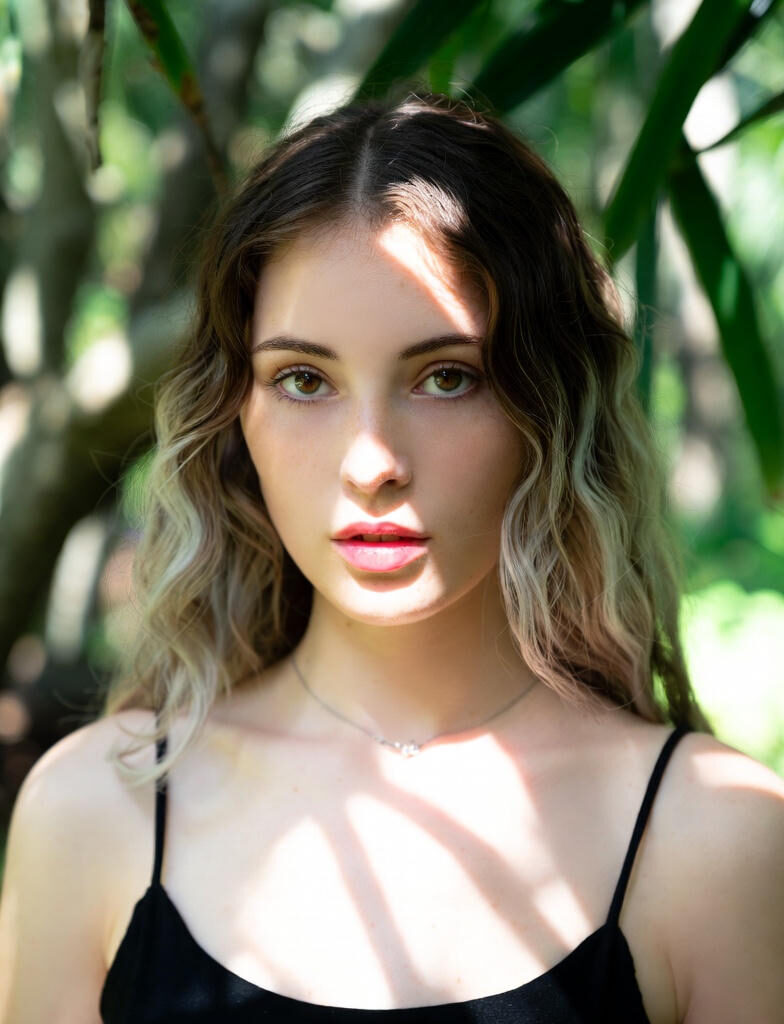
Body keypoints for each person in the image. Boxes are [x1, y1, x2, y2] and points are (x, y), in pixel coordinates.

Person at [1, 90, 782, 1024]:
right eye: (304, 379)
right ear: (236, 414)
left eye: (446, 377)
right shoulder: (96, 811)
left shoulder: (717, 838)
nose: (371, 462)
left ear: (550, 407)